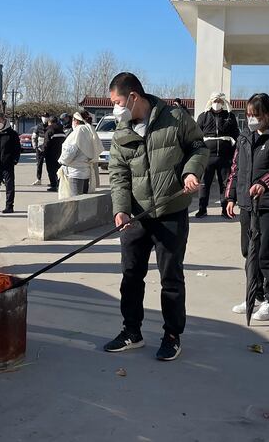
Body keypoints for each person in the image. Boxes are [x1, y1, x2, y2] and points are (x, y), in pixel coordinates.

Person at [104, 72, 208, 362]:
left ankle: (172, 335)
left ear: (134, 97)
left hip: (170, 212)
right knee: (131, 276)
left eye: (118, 102)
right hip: (137, 217)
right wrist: (121, 210)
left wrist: (191, 171)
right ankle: (131, 332)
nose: (116, 108)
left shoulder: (174, 118)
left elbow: (199, 146)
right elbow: (118, 175)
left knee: (171, 278)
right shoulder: (121, 132)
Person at [225, 93, 269, 321]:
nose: (252, 119)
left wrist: (264, 183)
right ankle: (253, 296)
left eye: (256, 115)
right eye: (249, 115)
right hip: (247, 204)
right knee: (249, 252)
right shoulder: (245, 136)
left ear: (267, 115)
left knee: (268, 253)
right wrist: (231, 196)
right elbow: (236, 168)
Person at [195, 92, 239, 218]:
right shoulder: (203, 116)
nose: (217, 103)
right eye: (215, 101)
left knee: (224, 184)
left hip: (225, 157)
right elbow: (197, 136)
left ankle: (225, 210)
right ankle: (202, 209)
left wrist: (234, 151)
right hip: (207, 157)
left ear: (223, 102)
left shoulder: (230, 116)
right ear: (210, 101)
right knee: (204, 184)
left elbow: (236, 134)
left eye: (219, 101)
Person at [57, 109, 103, 197]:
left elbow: (69, 151)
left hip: (75, 172)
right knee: (83, 201)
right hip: (86, 171)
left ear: (76, 120)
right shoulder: (89, 129)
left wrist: (62, 161)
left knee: (75, 202)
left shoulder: (78, 131)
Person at [42, 115, 66, 192]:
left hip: (50, 154)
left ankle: (54, 185)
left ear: (49, 122)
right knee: (59, 170)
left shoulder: (49, 131)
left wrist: (43, 152)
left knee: (51, 171)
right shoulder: (62, 130)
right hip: (60, 153)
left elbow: (46, 143)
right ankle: (60, 184)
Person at [32, 113, 49, 186]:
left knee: (50, 165)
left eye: (46, 117)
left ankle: (53, 180)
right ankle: (38, 179)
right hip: (39, 148)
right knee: (39, 164)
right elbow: (34, 137)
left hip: (48, 148)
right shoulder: (38, 127)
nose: (45, 118)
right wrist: (35, 146)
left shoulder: (50, 126)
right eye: (44, 117)